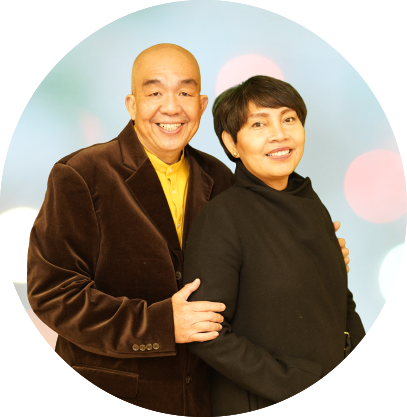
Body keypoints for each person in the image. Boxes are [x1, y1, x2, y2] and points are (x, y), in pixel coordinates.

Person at [27, 44, 351, 417]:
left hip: (204, 399)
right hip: (116, 388)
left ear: (200, 104)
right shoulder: (82, 174)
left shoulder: (219, 176)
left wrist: (313, 256)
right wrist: (160, 325)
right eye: (155, 93)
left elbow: (248, 265)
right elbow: (54, 293)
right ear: (132, 104)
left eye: (184, 92)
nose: (171, 107)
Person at [183, 75, 365, 416]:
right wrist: (294, 382)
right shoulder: (223, 217)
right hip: (261, 398)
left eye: (289, 119)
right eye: (258, 124)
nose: (279, 134)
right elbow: (206, 333)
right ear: (231, 143)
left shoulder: (312, 204)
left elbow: (341, 301)